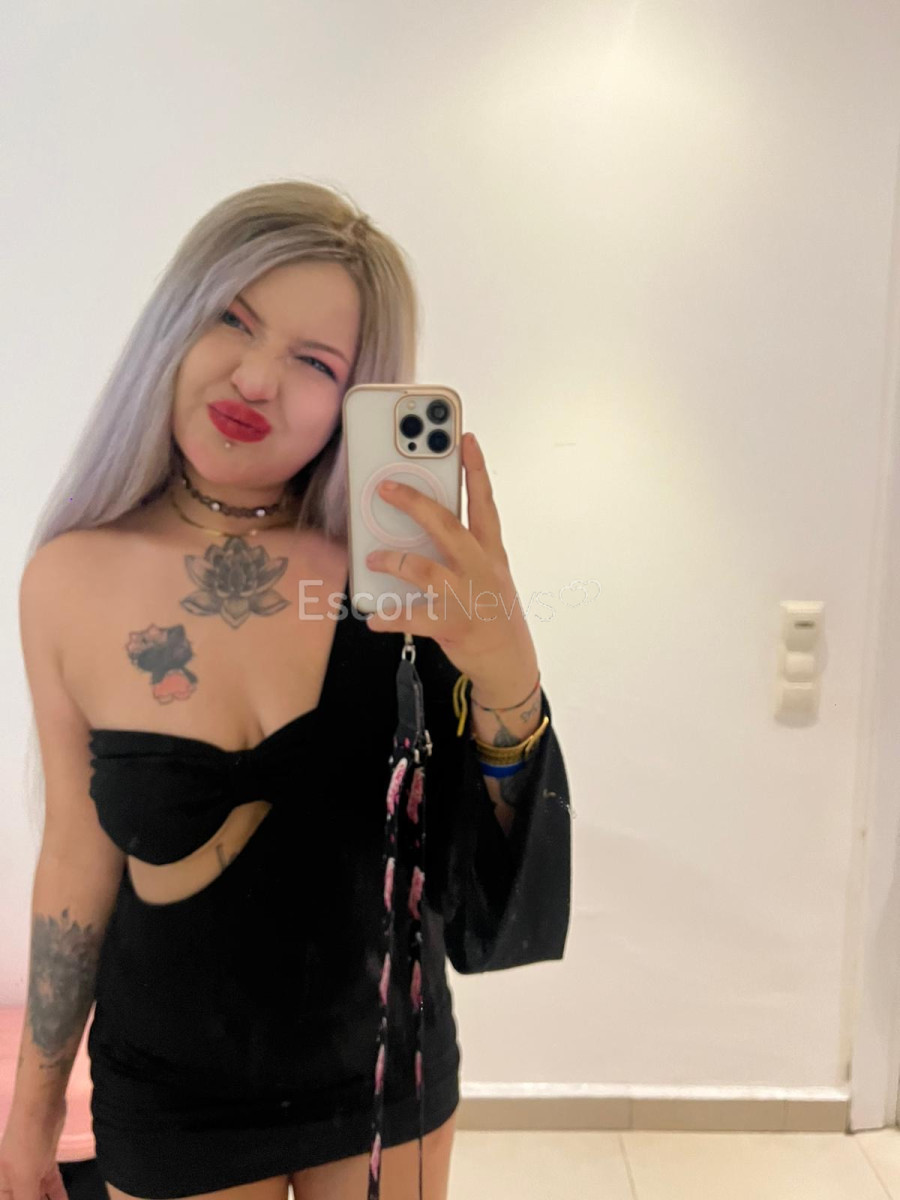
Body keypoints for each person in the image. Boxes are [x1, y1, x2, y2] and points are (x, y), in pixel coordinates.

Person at [0, 181, 572, 1200]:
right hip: (170, 1096)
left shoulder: (401, 577)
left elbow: (480, 866)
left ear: (357, 397)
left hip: (387, 1075)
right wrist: (32, 1117)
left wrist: (507, 670)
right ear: (176, 321)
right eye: (233, 318)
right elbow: (78, 861)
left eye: (315, 362)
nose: (256, 378)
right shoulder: (68, 582)